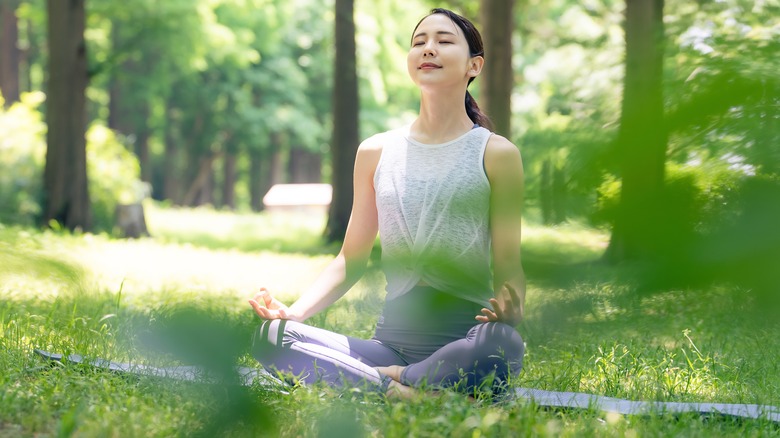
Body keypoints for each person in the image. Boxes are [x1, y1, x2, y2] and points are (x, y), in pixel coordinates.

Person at [249, 8, 526, 398]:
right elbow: (350, 260)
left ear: (474, 65)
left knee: (502, 345)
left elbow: (509, 263)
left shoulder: (497, 154)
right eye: (419, 42)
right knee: (274, 335)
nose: (428, 48)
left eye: (444, 41)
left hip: (465, 342)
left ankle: (387, 379)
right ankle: (406, 391)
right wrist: (293, 313)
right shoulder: (375, 151)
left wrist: (513, 308)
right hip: (389, 345)